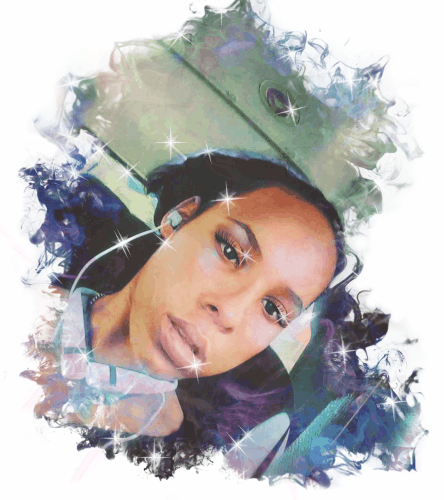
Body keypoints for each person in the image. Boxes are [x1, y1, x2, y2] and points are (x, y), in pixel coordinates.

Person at [20, 0, 422, 484]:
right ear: (178, 218)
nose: (228, 312)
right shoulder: (22, 284)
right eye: (232, 252)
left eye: (273, 310)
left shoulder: (195, 471)